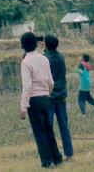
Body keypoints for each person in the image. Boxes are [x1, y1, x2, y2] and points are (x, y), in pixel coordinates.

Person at [19, 31, 62, 168]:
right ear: (36, 44)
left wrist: (23, 107)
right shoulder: (44, 59)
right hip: (45, 98)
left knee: (39, 132)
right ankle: (57, 158)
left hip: (34, 100)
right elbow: (51, 82)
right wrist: (47, 94)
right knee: (49, 129)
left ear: (23, 46)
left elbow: (27, 86)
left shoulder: (26, 62)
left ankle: (46, 161)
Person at [43, 34, 74, 161]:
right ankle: (70, 154)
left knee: (48, 128)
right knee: (64, 126)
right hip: (61, 95)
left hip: (49, 96)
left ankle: (51, 154)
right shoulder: (61, 56)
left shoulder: (44, 58)